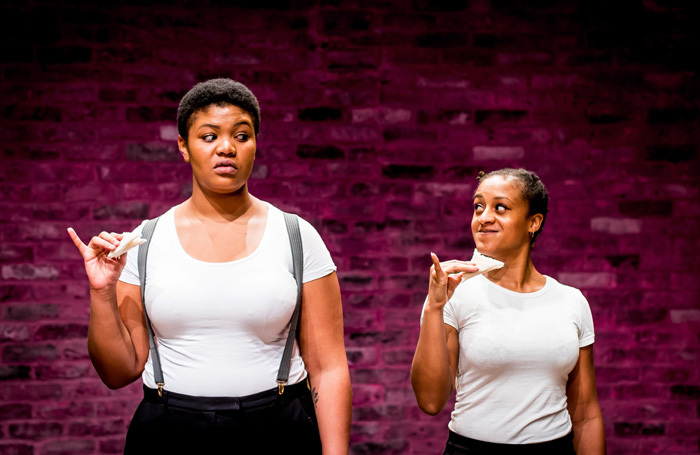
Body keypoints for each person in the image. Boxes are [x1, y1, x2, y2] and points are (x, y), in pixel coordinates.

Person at [67, 78, 352, 454]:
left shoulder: (296, 235)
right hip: (170, 432)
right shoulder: (145, 242)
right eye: (208, 136)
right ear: (184, 146)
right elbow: (119, 372)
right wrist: (101, 293)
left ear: (255, 145)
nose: (227, 148)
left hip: (278, 428)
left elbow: (329, 368)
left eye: (241, 135)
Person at [411, 168, 606, 454]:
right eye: (479, 207)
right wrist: (433, 308)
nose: (484, 217)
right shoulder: (454, 294)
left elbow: (586, 415)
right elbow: (430, 401)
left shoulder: (571, 301)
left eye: (500, 207)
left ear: (534, 222)